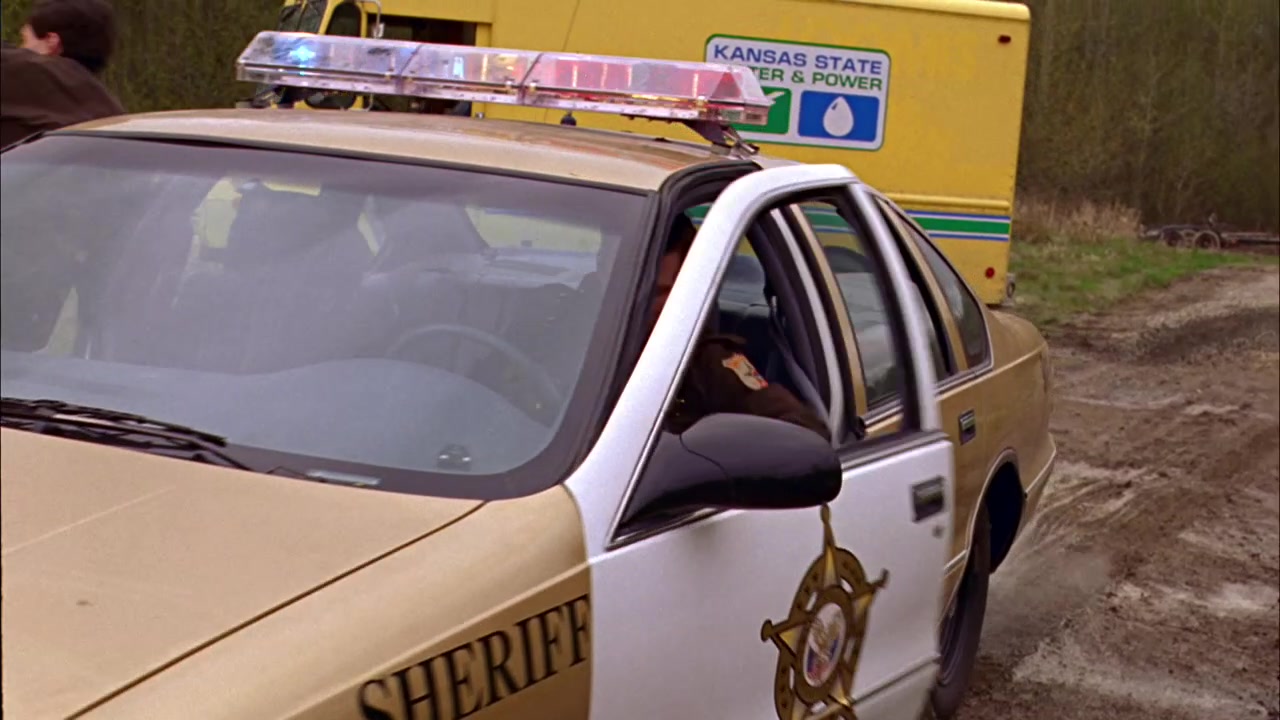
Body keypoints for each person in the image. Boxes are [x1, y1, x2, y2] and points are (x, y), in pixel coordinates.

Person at [656, 213, 830, 440]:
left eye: (657, 293)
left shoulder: (708, 363)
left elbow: (805, 434)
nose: (637, 304)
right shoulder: (607, 346)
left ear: (687, 293)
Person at [1, 0, 124, 149]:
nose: (21, 49)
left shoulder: (27, 73)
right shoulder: (114, 112)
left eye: (25, 40)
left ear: (52, 42)